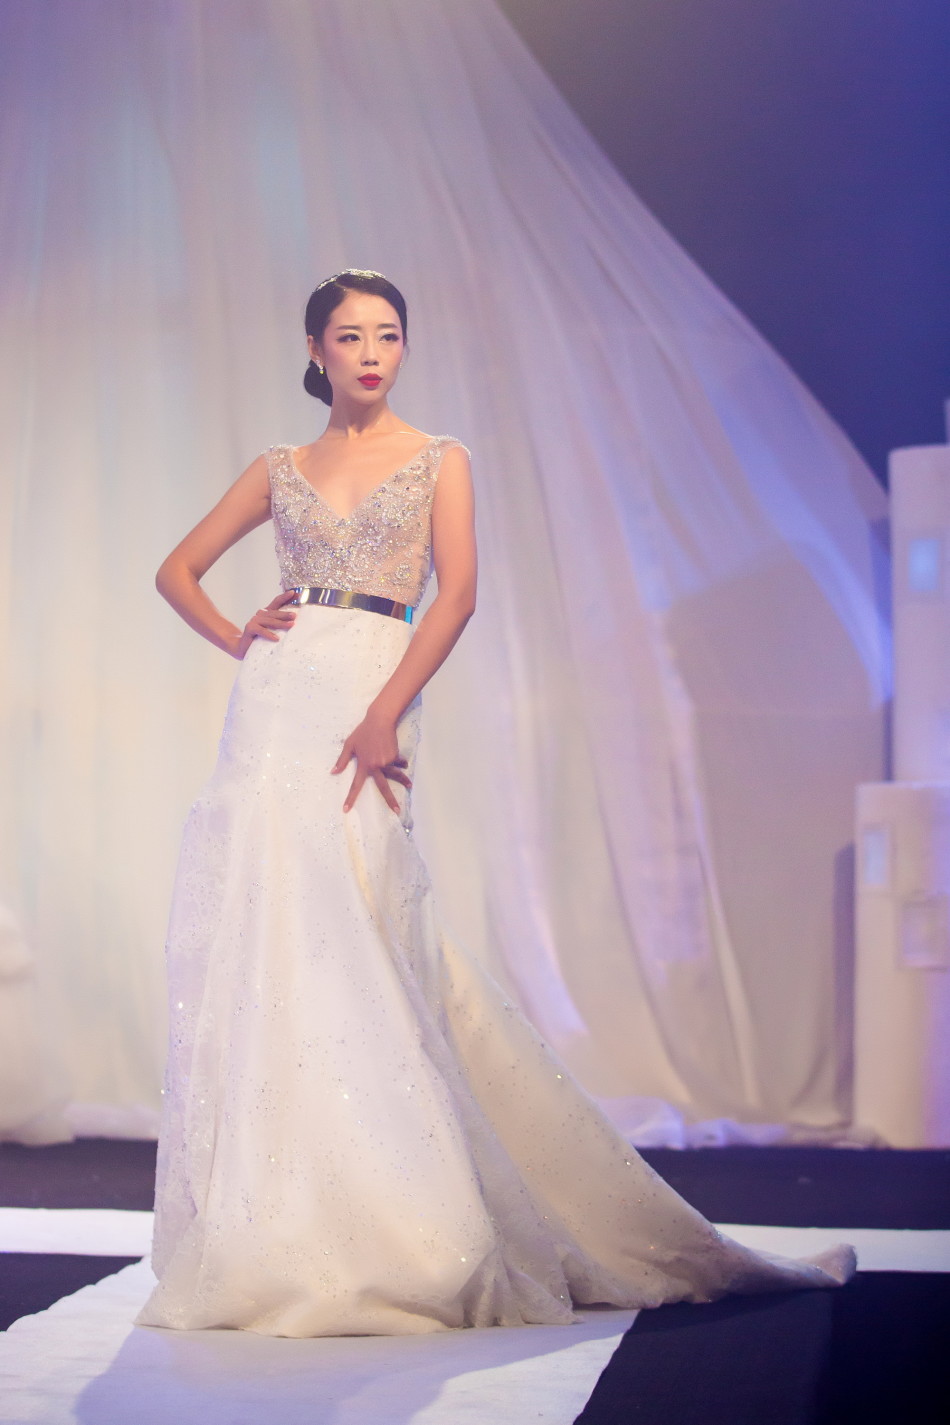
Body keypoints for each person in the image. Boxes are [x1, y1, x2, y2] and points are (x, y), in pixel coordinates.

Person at [137, 269, 855, 1337]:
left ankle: (402, 1213)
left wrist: (385, 712)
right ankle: (280, 1214)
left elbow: (458, 592)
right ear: (315, 349)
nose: (371, 353)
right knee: (271, 926)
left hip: (372, 680)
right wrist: (241, 637)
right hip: (278, 704)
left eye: (388, 335)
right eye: (350, 336)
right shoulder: (279, 467)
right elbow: (176, 570)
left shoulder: (440, 458)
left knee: (364, 921)